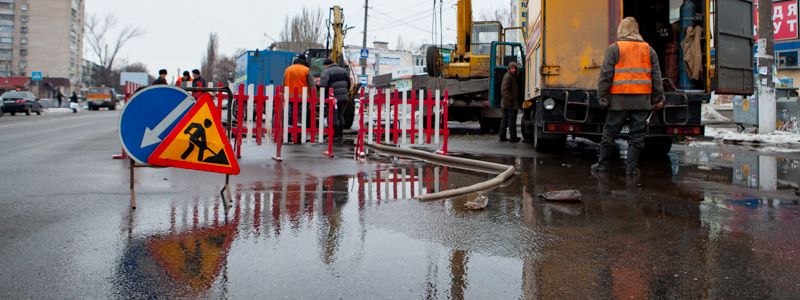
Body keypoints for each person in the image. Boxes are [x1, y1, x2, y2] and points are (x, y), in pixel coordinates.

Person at [592, 17, 665, 176]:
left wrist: (603, 97)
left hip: (619, 101)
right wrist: (657, 99)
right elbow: (656, 77)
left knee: (610, 132)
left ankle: (603, 165)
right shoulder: (649, 50)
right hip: (642, 101)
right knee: (637, 135)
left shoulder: (614, 49)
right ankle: (631, 169)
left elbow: (605, 75)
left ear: (621, 30)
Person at [319, 59, 351, 140]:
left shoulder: (326, 72)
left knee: (333, 115)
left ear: (326, 65)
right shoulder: (343, 71)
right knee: (340, 115)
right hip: (344, 97)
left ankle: (334, 134)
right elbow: (349, 83)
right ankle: (340, 134)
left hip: (333, 98)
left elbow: (323, 86)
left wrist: (323, 96)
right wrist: (345, 92)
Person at [283, 55, 316, 130]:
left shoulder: (288, 69)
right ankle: (299, 133)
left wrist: (282, 94)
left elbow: (284, 83)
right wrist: (313, 97)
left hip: (290, 96)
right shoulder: (306, 70)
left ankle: (288, 132)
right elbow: (312, 85)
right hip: (304, 97)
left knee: (290, 114)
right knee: (301, 114)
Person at [499, 62, 521, 143]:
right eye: (512, 68)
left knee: (505, 120)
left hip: (506, 103)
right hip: (509, 103)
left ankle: (502, 137)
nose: (514, 70)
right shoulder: (508, 77)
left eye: (515, 68)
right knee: (511, 120)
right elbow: (504, 90)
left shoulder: (511, 76)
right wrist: (510, 100)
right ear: (509, 69)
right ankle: (513, 137)